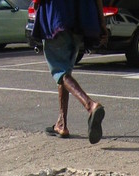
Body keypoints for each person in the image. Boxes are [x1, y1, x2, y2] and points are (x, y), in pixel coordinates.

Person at [32, 0, 108, 144]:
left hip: (57, 15)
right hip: (80, 18)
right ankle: (62, 124)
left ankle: (90, 105)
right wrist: (102, 24)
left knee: (59, 70)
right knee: (65, 71)